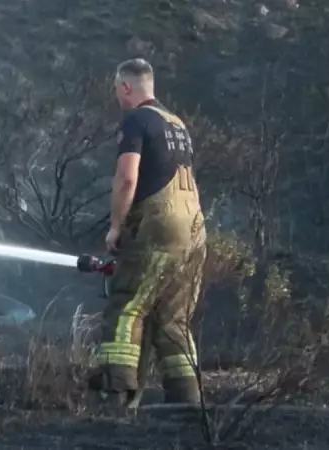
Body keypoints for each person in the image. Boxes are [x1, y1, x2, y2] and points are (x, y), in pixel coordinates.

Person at [89, 58, 207, 406]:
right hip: (195, 232)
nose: (116, 97)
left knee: (127, 307)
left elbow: (128, 177)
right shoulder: (177, 124)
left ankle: (116, 398)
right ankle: (187, 404)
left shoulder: (136, 119)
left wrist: (115, 228)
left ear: (127, 87)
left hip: (159, 227)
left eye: (116, 90)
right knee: (174, 320)